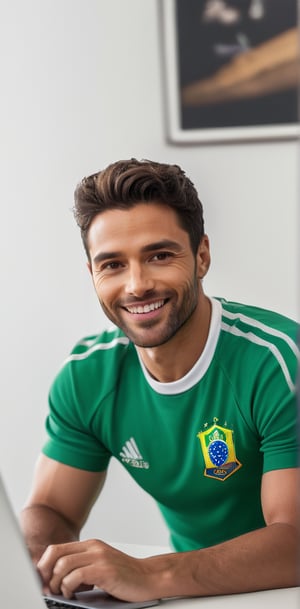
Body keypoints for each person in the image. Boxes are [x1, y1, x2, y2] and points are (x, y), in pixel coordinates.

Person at [20, 159, 299, 602]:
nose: (136, 285)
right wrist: (38, 567)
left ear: (202, 255)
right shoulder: (87, 378)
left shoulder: (279, 361)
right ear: (92, 273)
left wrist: (150, 574)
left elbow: (294, 542)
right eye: (112, 264)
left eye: (160, 255)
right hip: (189, 596)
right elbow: (50, 510)